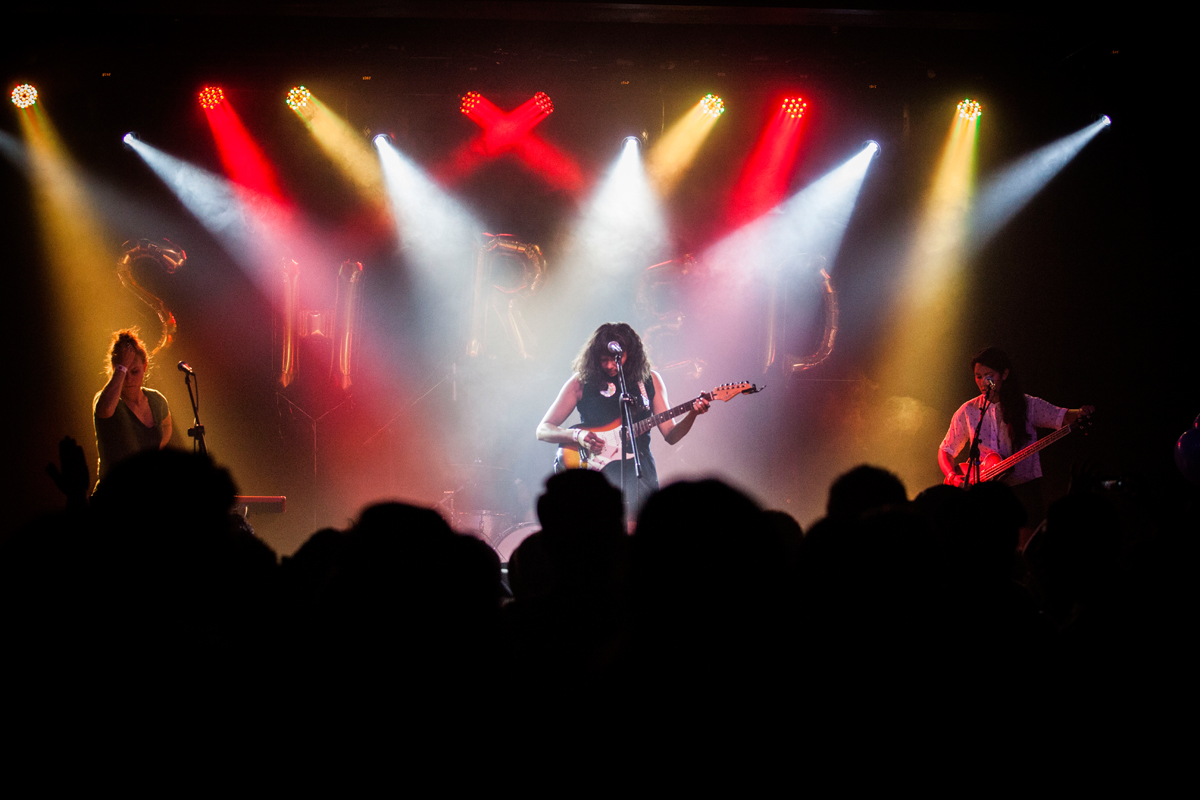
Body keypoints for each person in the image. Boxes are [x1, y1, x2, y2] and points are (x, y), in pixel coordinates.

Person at [536, 322, 709, 510]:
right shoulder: (582, 382)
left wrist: (692, 413)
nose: (610, 365)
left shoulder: (650, 380)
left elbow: (671, 435)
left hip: (638, 469)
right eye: (603, 359)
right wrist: (577, 436)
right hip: (597, 474)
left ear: (630, 354)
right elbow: (543, 430)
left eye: (615, 359)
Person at [938, 347, 1092, 525]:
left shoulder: (1027, 404)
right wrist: (953, 477)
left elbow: (1061, 416)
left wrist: (1081, 412)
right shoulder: (968, 411)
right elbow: (945, 451)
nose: (983, 382)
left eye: (989, 375)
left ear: (1004, 374)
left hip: (1023, 491)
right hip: (984, 494)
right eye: (978, 376)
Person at [93, 329, 172, 490]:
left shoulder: (156, 400)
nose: (129, 379)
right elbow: (105, 410)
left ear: (144, 366)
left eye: (134, 371)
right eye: (123, 372)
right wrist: (121, 367)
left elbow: (166, 425)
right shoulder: (106, 399)